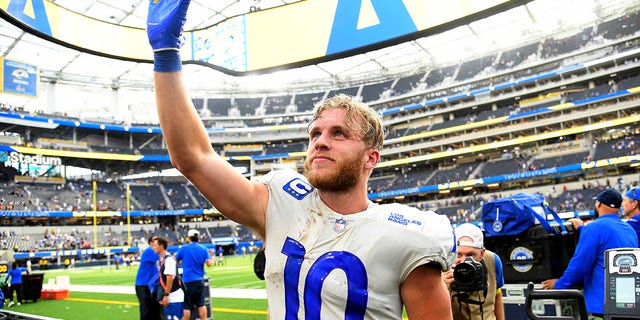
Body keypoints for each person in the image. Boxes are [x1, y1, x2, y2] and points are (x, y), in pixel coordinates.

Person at [146, 1, 456, 318]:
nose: (320, 142)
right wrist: (167, 56)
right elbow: (193, 159)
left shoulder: (407, 239)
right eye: (315, 133)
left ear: (370, 158)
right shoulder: (282, 200)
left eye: (339, 134)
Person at [542, 189, 638, 318]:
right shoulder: (629, 229)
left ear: (598, 204)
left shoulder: (594, 228)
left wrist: (559, 284)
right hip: (628, 304)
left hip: (603, 306)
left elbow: (580, 265)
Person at [442, 223, 505, 320]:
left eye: (470, 255)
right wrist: (441, 289)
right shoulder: (442, 268)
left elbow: (497, 295)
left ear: (482, 253)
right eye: (458, 255)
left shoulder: (492, 261)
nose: (463, 261)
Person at [175, 229, 214, 320]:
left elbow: (176, 260)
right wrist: (212, 258)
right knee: (201, 303)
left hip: (188, 280)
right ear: (198, 237)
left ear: (189, 238)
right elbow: (209, 264)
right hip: (199, 279)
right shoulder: (203, 248)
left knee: (187, 305)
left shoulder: (184, 248)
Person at [154, 236, 184, 320]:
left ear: (161, 246)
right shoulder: (162, 260)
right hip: (171, 295)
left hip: (174, 296)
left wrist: (166, 295)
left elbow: (170, 278)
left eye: (155, 245)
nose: (154, 247)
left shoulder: (169, 260)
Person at [135, 236, 164, 320]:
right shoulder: (150, 251)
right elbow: (164, 257)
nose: (156, 242)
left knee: (154, 309)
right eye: (154, 240)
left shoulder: (154, 252)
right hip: (143, 285)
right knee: (146, 310)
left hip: (151, 285)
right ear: (150, 243)